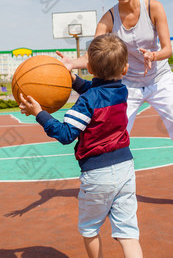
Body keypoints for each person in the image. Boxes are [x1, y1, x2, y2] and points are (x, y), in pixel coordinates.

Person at [57, 0, 173, 210]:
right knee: (114, 134)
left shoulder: (154, 8)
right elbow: (95, 55)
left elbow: (168, 48)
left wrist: (154, 55)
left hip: (159, 79)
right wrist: (72, 63)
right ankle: (111, 186)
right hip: (128, 85)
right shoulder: (108, 19)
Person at [19, 34, 142, 258]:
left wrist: (39, 113)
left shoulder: (87, 101)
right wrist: (72, 78)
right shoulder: (121, 91)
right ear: (124, 69)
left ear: (90, 67)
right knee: (128, 233)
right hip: (126, 169)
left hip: (97, 174)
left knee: (90, 229)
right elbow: (96, 88)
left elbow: (66, 134)